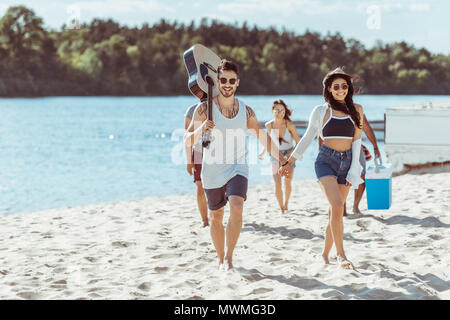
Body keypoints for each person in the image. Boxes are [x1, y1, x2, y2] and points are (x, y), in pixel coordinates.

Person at [184, 59, 289, 271]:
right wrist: (203, 127)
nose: (227, 84)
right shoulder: (203, 109)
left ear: (238, 82)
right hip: (212, 170)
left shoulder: (246, 111)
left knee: (237, 207)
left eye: (232, 80)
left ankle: (229, 258)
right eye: (223, 80)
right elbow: (188, 140)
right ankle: (220, 257)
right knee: (216, 217)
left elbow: (263, 137)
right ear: (217, 80)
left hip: (237, 167)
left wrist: (282, 159)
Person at [280, 67, 364, 269]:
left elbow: (357, 143)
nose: (341, 90)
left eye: (344, 86)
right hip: (326, 161)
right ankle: (341, 255)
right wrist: (289, 161)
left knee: (334, 213)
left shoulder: (357, 110)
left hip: (348, 162)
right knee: (337, 207)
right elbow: (308, 138)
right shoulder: (320, 111)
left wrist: (355, 170)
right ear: (328, 88)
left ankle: (325, 254)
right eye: (336, 87)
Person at [319, 115, 381, 216]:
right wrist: (321, 151)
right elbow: (321, 132)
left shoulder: (356, 110)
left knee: (362, 176)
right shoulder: (328, 109)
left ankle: (355, 206)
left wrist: (375, 147)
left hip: (356, 147)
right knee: (339, 177)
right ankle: (342, 207)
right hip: (334, 149)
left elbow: (366, 128)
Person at [259, 99, 301, 213]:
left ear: (285, 112)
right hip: (274, 154)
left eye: (282, 111)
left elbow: (299, 142)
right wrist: (263, 152)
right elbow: (269, 140)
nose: (280, 113)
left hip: (289, 155)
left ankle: (286, 204)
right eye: (277, 110)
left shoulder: (289, 125)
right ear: (272, 111)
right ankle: (281, 207)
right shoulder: (269, 125)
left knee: (287, 182)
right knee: (277, 183)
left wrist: (290, 155)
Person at [184, 103, 209, 227]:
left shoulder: (220, 105)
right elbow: (186, 136)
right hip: (199, 150)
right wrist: (189, 160)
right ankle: (205, 220)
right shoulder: (192, 110)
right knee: (200, 187)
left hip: (218, 151)